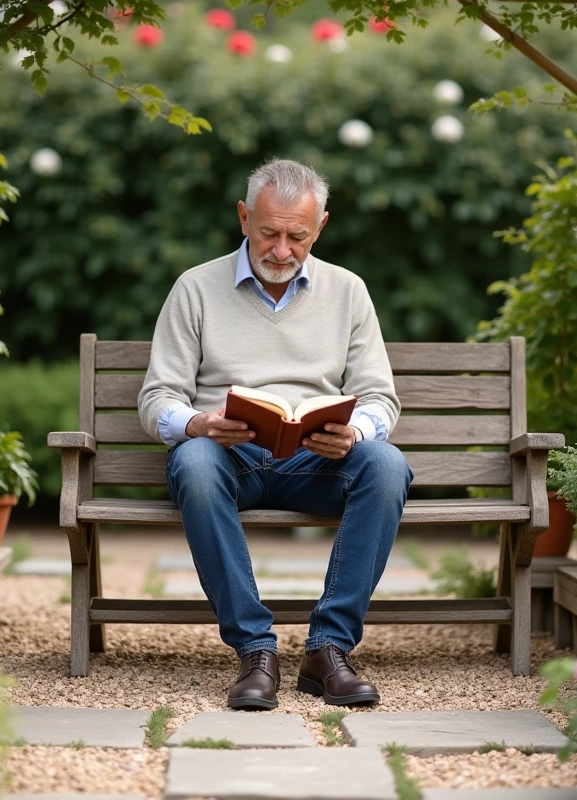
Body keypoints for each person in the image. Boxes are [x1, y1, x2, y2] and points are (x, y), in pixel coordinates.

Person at [138, 158, 413, 711]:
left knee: (386, 465)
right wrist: (198, 423)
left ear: (321, 227)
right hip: (228, 458)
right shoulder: (195, 288)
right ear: (244, 218)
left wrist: (355, 433)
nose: (282, 250)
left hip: (315, 461)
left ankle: (328, 649)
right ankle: (254, 652)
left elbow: (381, 397)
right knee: (192, 461)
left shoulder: (349, 292)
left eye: (298, 236)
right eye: (269, 232)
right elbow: (157, 398)